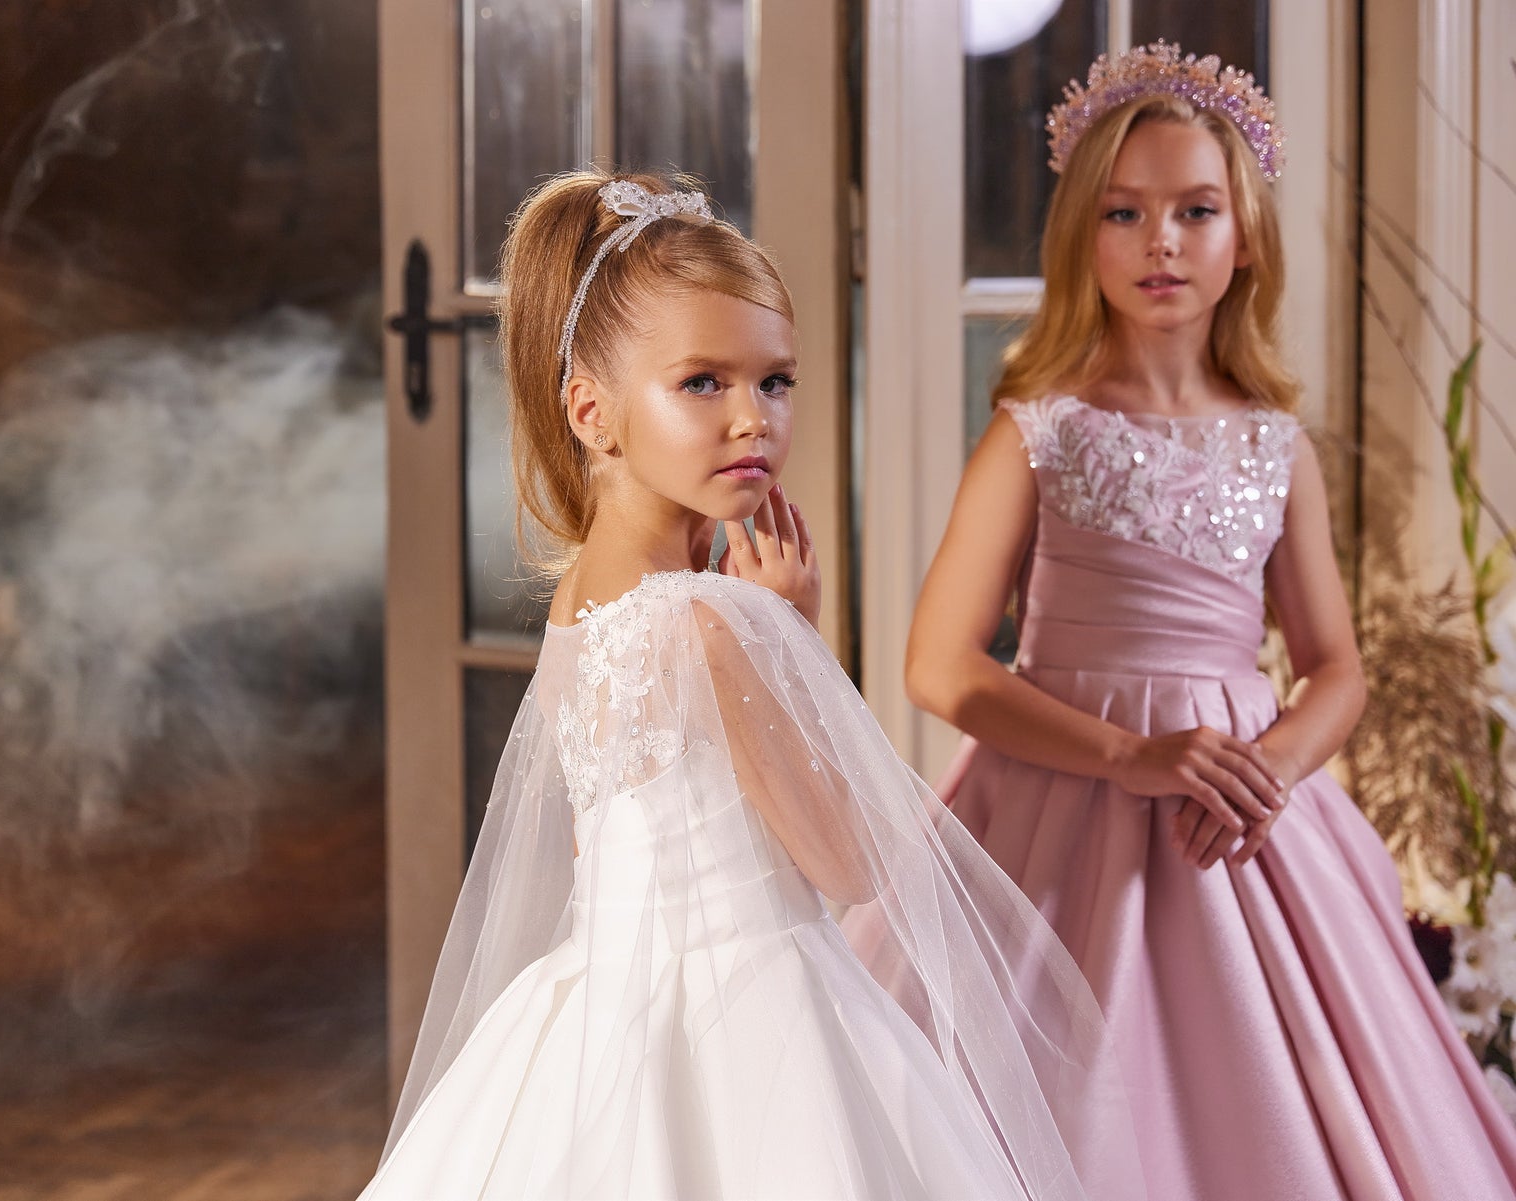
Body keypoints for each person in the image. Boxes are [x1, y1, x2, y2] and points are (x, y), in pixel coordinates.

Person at [357, 170, 1141, 1199]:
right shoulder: (711, 621)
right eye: (702, 383)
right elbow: (846, 862)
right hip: (749, 1014)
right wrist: (789, 635)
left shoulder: (580, 604)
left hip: (604, 1002)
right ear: (591, 411)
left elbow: (609, 841)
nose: (752, 420)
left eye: (775, 382)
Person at [844, 41, 1516, 1199]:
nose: (1161, 240)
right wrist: (1129, 755)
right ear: (1083, 237)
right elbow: (939, 665)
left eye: (1195, 211)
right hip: (1058, 804)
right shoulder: (1037, 431)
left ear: (1243, 236)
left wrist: (1272, 769)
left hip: (1242, 808)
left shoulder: (1276, 446)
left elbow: (1336, 668)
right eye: (1125, 212)